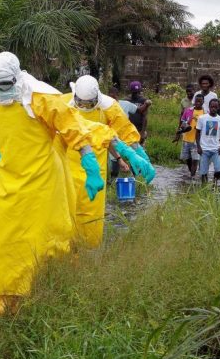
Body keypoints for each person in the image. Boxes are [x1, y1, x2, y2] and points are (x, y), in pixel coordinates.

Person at [0, 52, 113, 316]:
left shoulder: (41, 98)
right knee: (7, 240)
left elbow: (73, 129)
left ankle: (44, 290)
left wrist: (91, 166)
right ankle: (5, 296)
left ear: (17, 78)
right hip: (11, 180)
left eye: (5, 85)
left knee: (43, 239)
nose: (0, 90)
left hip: (44, 182)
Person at [63, 75, 156, 247]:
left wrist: (136, 152)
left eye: (89, 105)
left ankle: (88, 251)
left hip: (96, 170)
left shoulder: (109, 108)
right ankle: (66, 252)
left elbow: (122, 131)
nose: (84, 108)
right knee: (65, 212)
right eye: (81, 104)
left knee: (92, 215)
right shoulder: (63, 104)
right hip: (67, 168)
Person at [196, 98, 220, 185]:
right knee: (203, 172)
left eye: (215, 107)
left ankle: (214, 184)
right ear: (209, 107)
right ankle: (204, 188)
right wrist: (198, 146)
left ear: (218, 108)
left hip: (216, 149)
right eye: (212, 106)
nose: (213, 108)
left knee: (218, 170)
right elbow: (197, 133)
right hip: (204, 149)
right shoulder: (202, 118)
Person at [180, 93, 205, 177]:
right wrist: (184, 126)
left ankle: (192, 177)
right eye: (197, 101)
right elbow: (182, 121)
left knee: (195, 159)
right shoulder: (188, 110)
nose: (198, 103)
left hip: (197, 140)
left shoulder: (205, 113)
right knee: (187, 158)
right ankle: (192, 173)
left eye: (200, 101)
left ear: (203, 102)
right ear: (194, 101)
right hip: (186, 138)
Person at [126, 81, 151, 145]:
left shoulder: (143, 101)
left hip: (139, 129)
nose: (136, 94)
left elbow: (145, 117)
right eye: (134, 92)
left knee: (140, 149)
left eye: (137, 92)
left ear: (140, 91)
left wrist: (142, 132)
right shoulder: (126, 100)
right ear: (131, 91)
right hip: (128, 130)